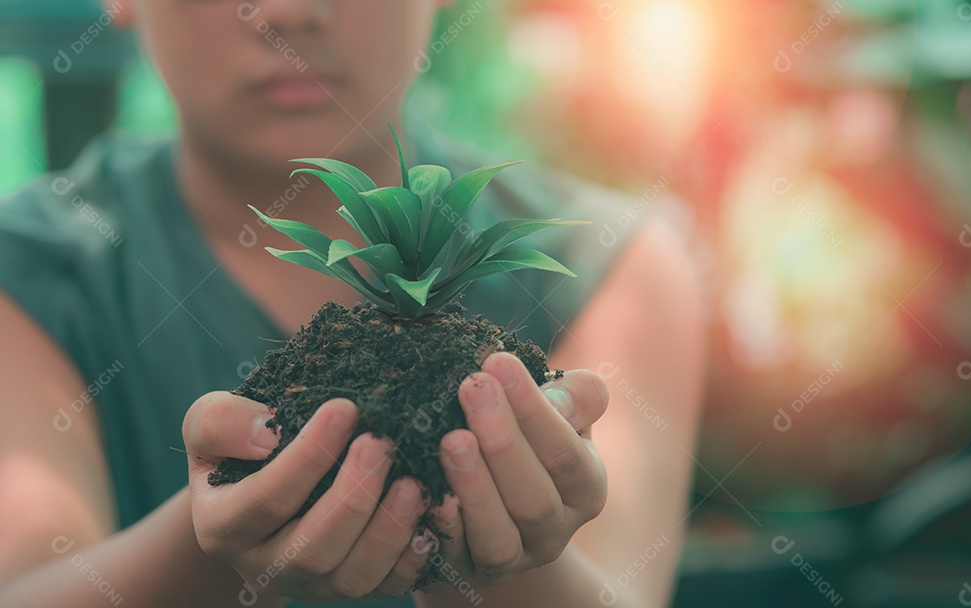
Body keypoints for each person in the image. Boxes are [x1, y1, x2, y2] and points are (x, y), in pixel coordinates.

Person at [0, 1, 704, 606]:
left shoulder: (612, 265)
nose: (289, 13)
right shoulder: (30, 267)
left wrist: (504, 559)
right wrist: (214, 533)